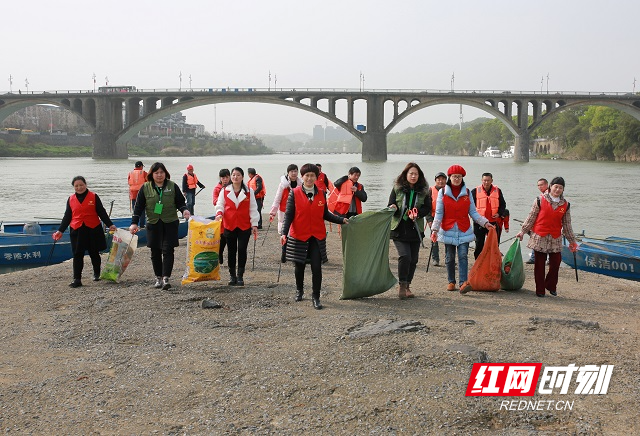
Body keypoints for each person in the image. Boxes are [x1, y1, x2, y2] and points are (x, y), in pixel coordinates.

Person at [281, 163, 348, 309]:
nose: (310, 178)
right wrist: (284, 233)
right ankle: (299, 290)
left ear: (317, 177)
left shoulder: (322, 193)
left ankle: (316, 296)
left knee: (316, 267)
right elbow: (289, 215)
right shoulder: (295, 192)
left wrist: (341, 219)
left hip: (317, 236)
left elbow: (325, 214)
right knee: (299, 266)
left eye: (312, 175)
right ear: (302, 177)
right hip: (299, 235)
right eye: (307, 175)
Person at [430, 165, 494, 294]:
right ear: (450, 177)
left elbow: (473, 212)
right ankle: (451, 281)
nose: (456, 179)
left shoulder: (468, 193)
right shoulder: (442, 192)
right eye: (454, 176)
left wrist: (485, 223)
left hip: (464, 229)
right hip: (447, 229)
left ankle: (463, 283)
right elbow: (439, 213)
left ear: (462, 178)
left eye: (459, 177)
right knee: (449, 257)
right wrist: (434, 230)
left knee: (463, 255)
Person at [130, 162, 191, 290]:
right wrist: (134, 223)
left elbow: (180, 202)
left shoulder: (172, 186)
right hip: (153, 223)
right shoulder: (145, 188)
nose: (159, 175)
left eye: (161, 172)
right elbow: (138, 207)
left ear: (165, 173)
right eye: (156, 172)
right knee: (155, 250)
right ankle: (158, 277)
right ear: (152, 174)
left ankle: (166, 278)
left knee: (168, 249)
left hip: (170, 222)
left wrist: (184, 210)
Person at [516, 176, 578, 298]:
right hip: (540, 236)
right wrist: (522, 231)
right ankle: (540, 289)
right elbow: (531, 217)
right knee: (539, 264)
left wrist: (572, 241)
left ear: (563, 190)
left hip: (555, 237)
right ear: (550, 187)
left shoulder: (565, 205)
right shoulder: (539, 200)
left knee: (556, 262)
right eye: (556, 187)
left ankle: (550, 285)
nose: (558, 189)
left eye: (560, 187)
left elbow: (567, 224)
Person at [53, 176, 116, 288]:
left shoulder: (94, 196)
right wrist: (60, 231)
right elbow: (67, 216)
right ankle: (77, 279)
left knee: (94, 253)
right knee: (77, 254)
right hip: (77, 230)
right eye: (76, 186)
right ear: (74, 187)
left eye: (81, 185)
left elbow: (101, 212)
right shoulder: (71, 199)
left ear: (85, 184)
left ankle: (97, 273)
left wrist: (110, 224)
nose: (79, 187)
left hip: (93, 229)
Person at [387, 163, 431, 299]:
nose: (413, 176)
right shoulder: (397, 188)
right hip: (399, 228)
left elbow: (427, 208)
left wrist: (417, 214)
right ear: (406, 175)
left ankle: (407, 286)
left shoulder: (424, 191)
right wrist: (393, 206)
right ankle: (402, 285)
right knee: (405, 256)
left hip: (415, 229)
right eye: (411, 173)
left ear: (419, 176)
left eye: (416, 174)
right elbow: (390, 204)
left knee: (413, 259)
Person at [215, 167, 259, 286]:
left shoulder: (249, 191)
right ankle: (232, 275)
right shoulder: (224, 191)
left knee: (242, 250)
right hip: (229, 224)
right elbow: (220, 204)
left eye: (238, 175)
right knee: (231, 251)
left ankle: (240, 275)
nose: (235, 177)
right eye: (233, 175)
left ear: (242, 177)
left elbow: (253, 208)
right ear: (231, 177)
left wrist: (254, 224)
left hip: (244, 225)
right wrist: (219, 213)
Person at [269, 164, 302, 262]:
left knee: (296, 232)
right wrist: (272, 212)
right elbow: (277, 198)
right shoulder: (283, 185)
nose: (294, 173)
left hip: (298, 211)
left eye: (295, 171)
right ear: (288, 173)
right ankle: (284, 255)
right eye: (292, 171)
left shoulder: (301, 184)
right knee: (285, 233)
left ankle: (295, 255)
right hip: (284, 211)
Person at [470, 172, 507, 259]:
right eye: (484, 180)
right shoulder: (475, 191)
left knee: (494, 244)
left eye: (488, 180)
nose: (486, 182)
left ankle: (492, 262)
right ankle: (478, 264)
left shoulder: (497, 191)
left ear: (492, 181)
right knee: (479, 244)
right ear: (481, 180)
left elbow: (503, 205)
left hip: (493, 222)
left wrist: (499, 213)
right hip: (479, 223)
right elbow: (470, 206)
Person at [426, 171, 447, 267]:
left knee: (448, 240)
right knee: (434, 240)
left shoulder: (449, 190)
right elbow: (427, 206)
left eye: (443, 179)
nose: (441, 181)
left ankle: (449, 259)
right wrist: (429, 220)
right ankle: (435, 258)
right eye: (439, 179)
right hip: (434, 218)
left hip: (447, 219)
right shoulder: (430, 190)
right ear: (435, 180)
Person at [527, 178, 550, 264]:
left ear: (546, 185)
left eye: (541, 185)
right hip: (540, 223)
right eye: (538, 185)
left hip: (546, 224)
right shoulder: (541, 196)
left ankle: (535, 258)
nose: (540, 187)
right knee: (537, 240)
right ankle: (535, 258)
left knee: (539, 240)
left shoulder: (549, 195)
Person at [213, 168, 231, 265]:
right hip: (220, 216)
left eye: (227, 177)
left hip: (231, 216)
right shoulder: (217, 189)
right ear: (220, 178)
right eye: (223, 177)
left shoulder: (233, 187)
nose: (225, 179)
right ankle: (219, 254)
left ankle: (230, 258)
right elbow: (215, 202)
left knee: (230, 238)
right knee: (222, 237)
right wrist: (222, 197)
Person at [128, 161, 147, 227]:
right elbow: (148, 183)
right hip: (142, 194)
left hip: (133, 194)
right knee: (142, 211)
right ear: (141, 166)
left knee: (135, 210)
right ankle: (142, 225)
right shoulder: (144, 173)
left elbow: (129, 182)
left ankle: (134, 224)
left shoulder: (130, 173)